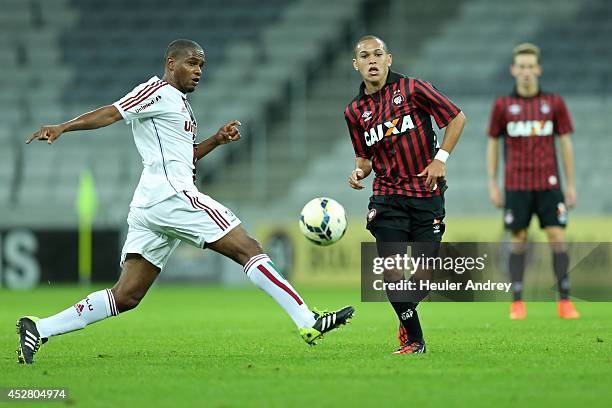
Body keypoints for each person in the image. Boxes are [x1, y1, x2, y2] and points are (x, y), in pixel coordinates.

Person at [17, 39, 354, 365]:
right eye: (191, 63)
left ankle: (39, 328)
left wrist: (217, 141)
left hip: (153, 202)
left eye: (202, 65)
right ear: (171, 63)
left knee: (127, 295)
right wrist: (63, 126)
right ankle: (306, 320)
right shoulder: (157, 90)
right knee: (248, 248)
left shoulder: (178, 104)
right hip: (171, 195)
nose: (198, 71)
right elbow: (112, 113)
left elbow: (185, 157)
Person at [345, 35, 465, 354]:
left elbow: (456, 118)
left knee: (422, 283)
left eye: (377, 54)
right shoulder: (355, 112)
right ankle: (415, 340)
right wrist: (359, 172)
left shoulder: (413, 89)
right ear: (356, 65)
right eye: (365, 56)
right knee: (392, 271)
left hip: (427, 194)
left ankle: (406, 316)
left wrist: (440, 159)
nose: (372, 60)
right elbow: (365, 158)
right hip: (387, 198)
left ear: (389, 59)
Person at [487, 43, 579, 320]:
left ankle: (564, 300)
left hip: (549, 184)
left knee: (557, 237)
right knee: (518, 239)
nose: (526, 72)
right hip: (516, 185)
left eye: (530, 66)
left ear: (538, 69)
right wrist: (493, 182)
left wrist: (570, 184)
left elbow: (565, 144)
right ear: (513, 70)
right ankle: (517, 301)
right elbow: (493, 143)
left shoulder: (554, 103)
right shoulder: (503, 106)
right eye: (521, 67)